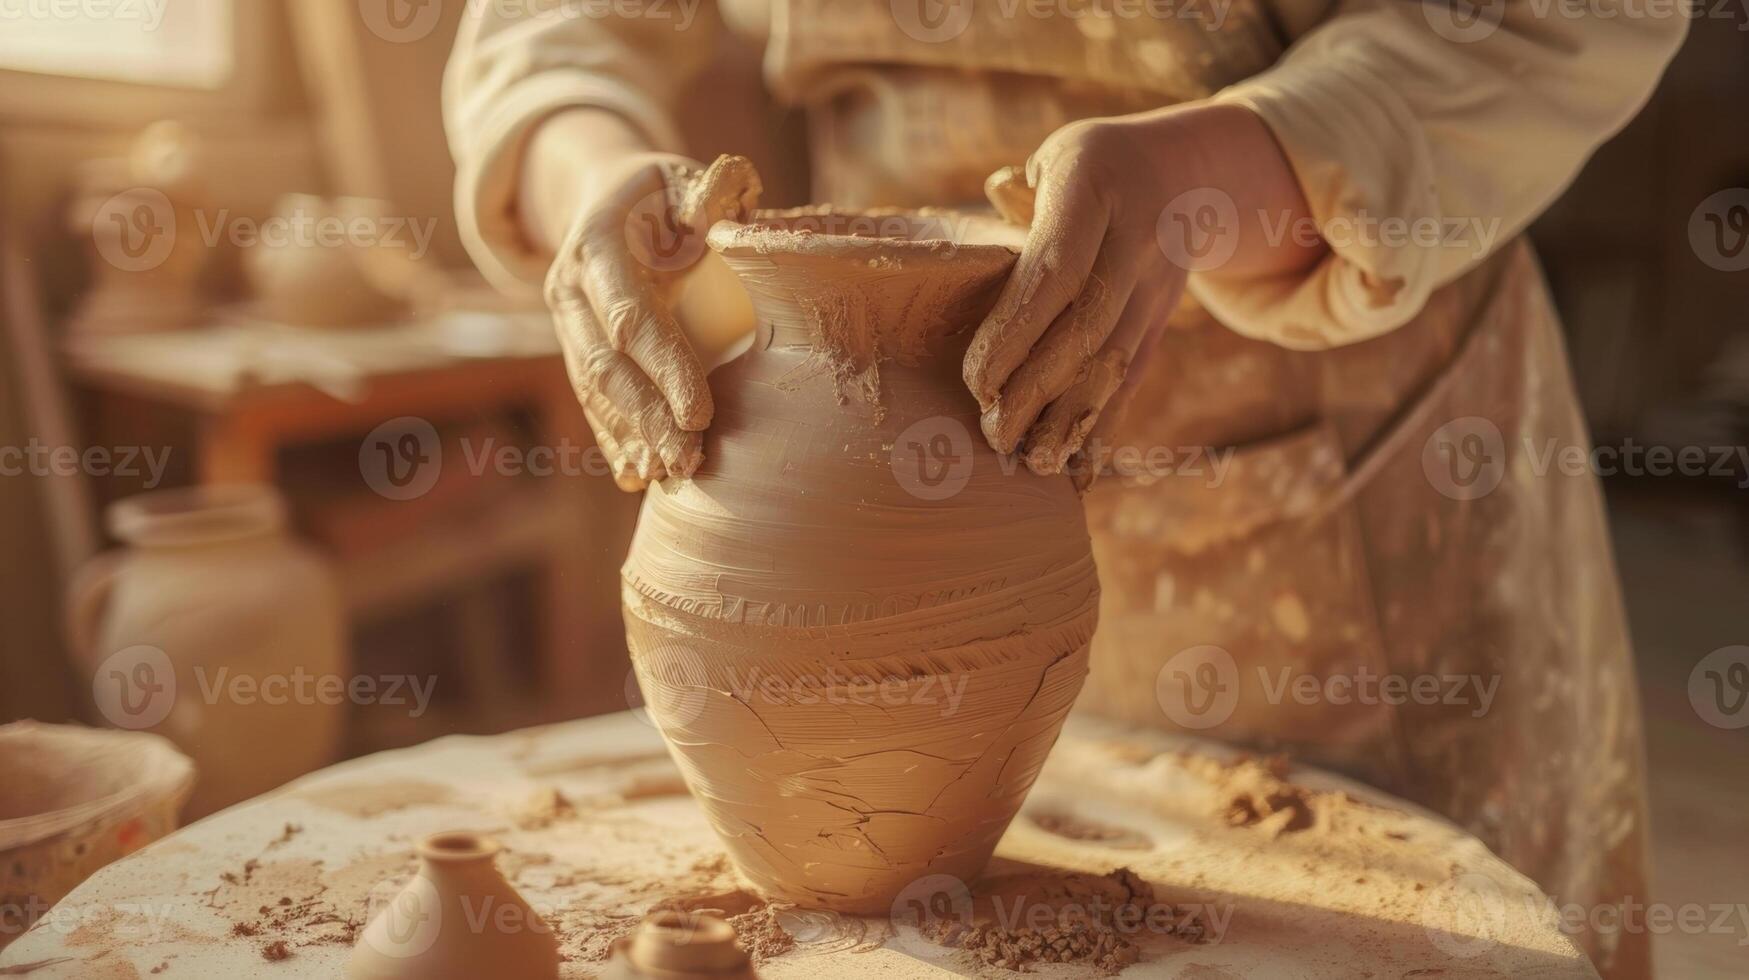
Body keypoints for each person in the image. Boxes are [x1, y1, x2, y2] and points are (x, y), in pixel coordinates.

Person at [443, 4, 1685, 976]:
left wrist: (1214, 168)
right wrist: (586, 165)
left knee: (1369, 920)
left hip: (1344, 448)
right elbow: (558, 24)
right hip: (879, 414)